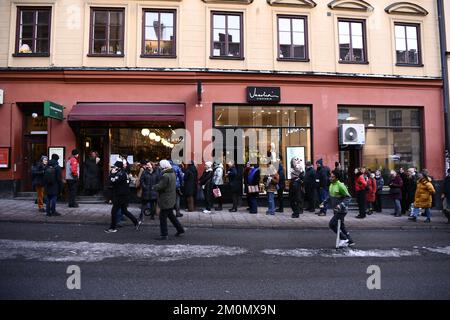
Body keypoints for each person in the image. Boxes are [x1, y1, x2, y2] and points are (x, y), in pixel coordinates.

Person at [104, 161, 141, 233]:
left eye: (115, 166)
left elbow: (112, 181)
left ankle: (112, 228)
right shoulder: (124, 173)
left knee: (114, 211)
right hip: (124, 195)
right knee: (124, 211)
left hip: (120, 196)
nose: (114, 167)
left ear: (118, 167)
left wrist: (112, 174)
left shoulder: (120, 174)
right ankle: (136, 222)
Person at [152, 159, 185, 240]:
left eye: (160, 165)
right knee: (171, 215)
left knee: (162, 218)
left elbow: (161, 186)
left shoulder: (165, 176)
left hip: (165, 199)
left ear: (163, 166)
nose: (159, 167)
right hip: (171, 197)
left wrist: (154, 187)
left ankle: (164, 234)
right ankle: (180, 229)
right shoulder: (172, 173)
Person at [322, 171, 355, 248]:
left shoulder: (340, 186)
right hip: (336, 210)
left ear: (336, 178)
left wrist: (341, 205)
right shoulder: (331, 185)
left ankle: (343, 238)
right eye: (330, 176)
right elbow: (330, 196)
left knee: (332, 224)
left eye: (333, 177)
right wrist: (324, 202)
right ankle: (350, 241)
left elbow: (348, 197)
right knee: (341, 226)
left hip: (342, 211)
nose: (330, 178)